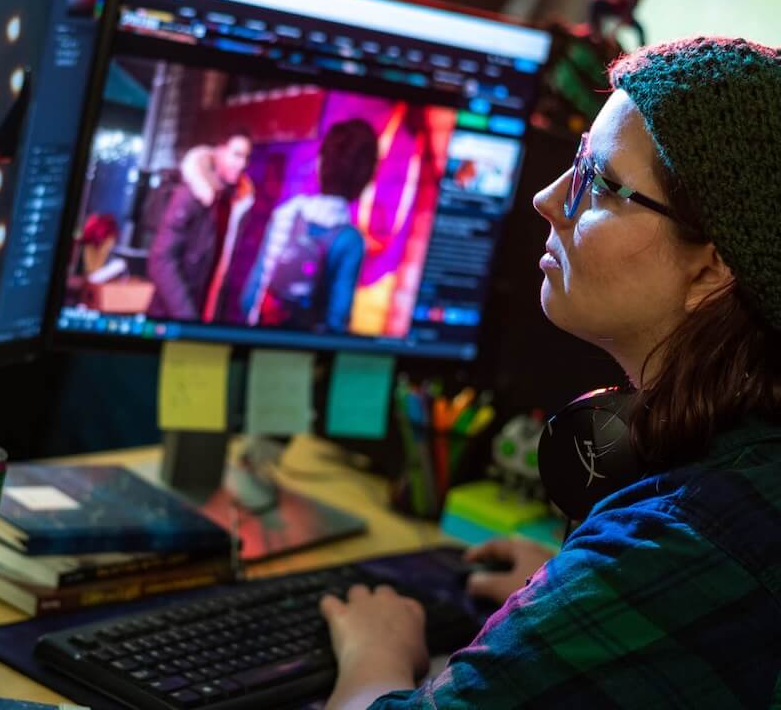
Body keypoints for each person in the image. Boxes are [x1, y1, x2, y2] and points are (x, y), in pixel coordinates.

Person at [318, 37, 781, 708]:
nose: (546, 198)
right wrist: (575, 592)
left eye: (600, 182)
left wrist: (375, 652)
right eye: (576, 161)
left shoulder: (686, 542)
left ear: (712, 268)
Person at [241, 118, 378, 332]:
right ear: (365, 178)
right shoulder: (351, 241)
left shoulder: (286, 213)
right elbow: (337, 321)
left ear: (320, 163)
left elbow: (250, 298)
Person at [146, 128, 253, 320]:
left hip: (206, 315)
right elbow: (161, 260)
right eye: (237, 154)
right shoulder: (190, 195)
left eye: (246, 157)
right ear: (219, 151)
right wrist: (186, 318)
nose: (242, 164)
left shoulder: (234, 202)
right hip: (172, 318)